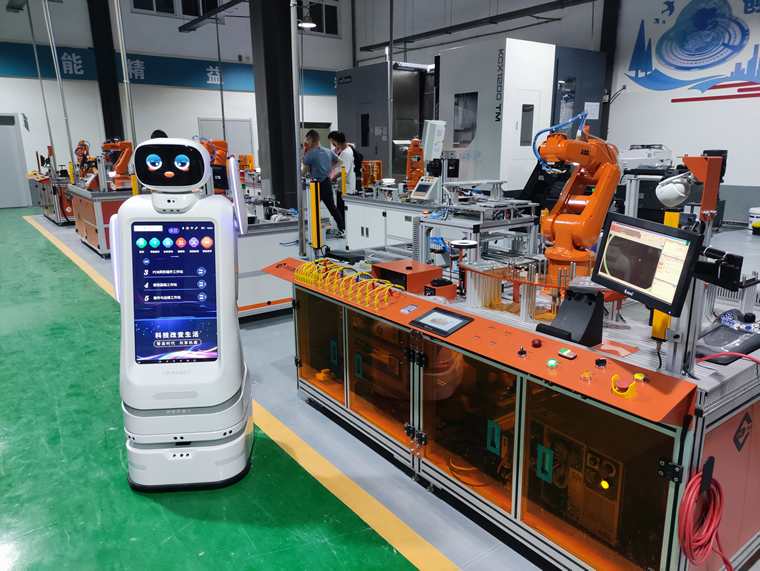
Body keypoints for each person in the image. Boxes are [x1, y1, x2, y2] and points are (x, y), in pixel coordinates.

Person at [301, 130, 345, 237]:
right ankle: (342, 229)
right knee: (332, 208)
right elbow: (340, 161)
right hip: (327, 183)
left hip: (315, 185)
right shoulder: (328, 151)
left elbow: (303, 172)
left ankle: (314, 232)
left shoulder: (309, 154)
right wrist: (330, 169)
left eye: (308, 140)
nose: (307, 142)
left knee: (314, 209)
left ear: (311, 139)